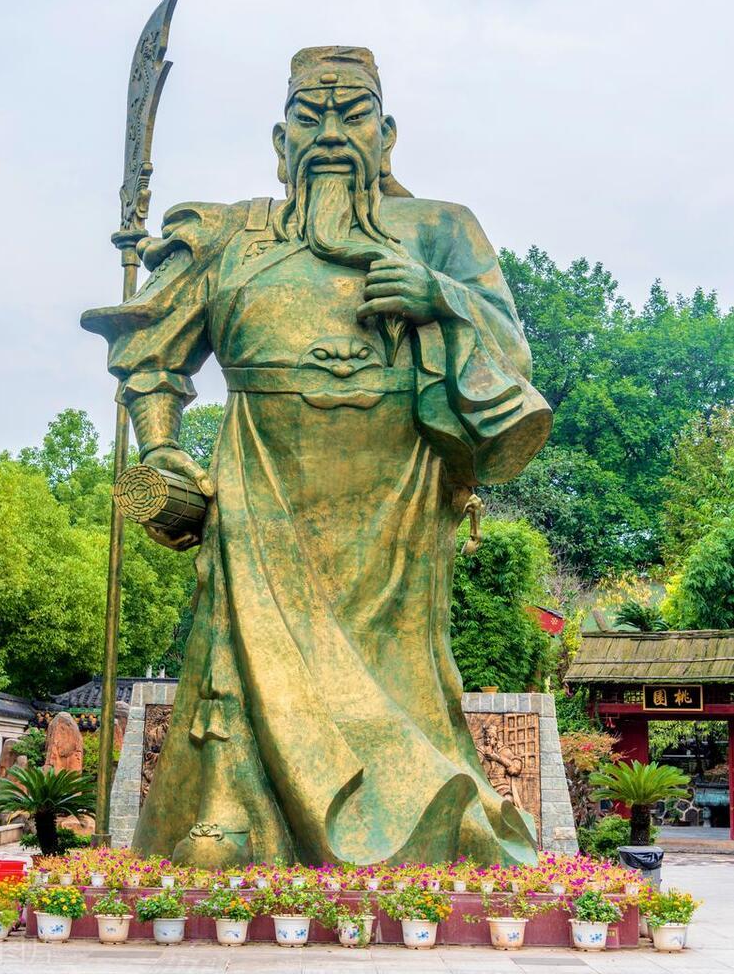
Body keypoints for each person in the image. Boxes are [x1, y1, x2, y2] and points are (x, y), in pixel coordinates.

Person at [82, 45, 551, 867]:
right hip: (259, 482)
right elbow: (150, 353)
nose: (331, 132)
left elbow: (513, 358)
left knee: (407, 685)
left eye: (352, 114)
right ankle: (235, 810)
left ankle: (428, 833)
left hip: (398, 498)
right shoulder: (230, 234)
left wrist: (437, 296)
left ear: (385, 134)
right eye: (310, 116)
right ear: (281, 140)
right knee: (240, 655)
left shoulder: (441, 230)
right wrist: (160, 451)